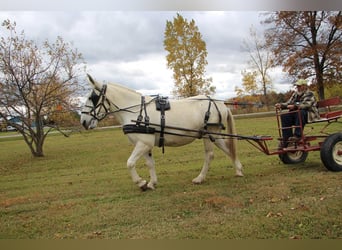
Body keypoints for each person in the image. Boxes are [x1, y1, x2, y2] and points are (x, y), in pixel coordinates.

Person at [275, 79, 320, 145]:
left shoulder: (310, 94)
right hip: (297, 114)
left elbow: (306, 105)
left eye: (299, 86)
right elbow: (288, 103)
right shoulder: (295, 94)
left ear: (304, 86)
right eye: (297, 86)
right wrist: (281, 105)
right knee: (284, 116)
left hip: (309, 114)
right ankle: (287, 137)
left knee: (301, 112)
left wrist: (295, 106)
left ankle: (297, 136)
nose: (297, 87)